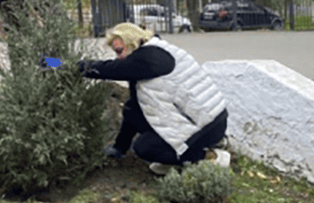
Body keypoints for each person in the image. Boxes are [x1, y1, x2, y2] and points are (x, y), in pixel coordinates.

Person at [77, 23, 229, 175]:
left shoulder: (150, 59)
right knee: (135, 112)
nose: (118, 57)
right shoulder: (153, 52)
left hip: (207, 126)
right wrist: (119, 148)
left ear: (133, 43)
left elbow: (107, 68)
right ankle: (175, 159)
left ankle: (208, 156)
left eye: (119, 51)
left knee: (145, 147)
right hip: (205, 120)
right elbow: (133, 108)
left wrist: (59, 63)